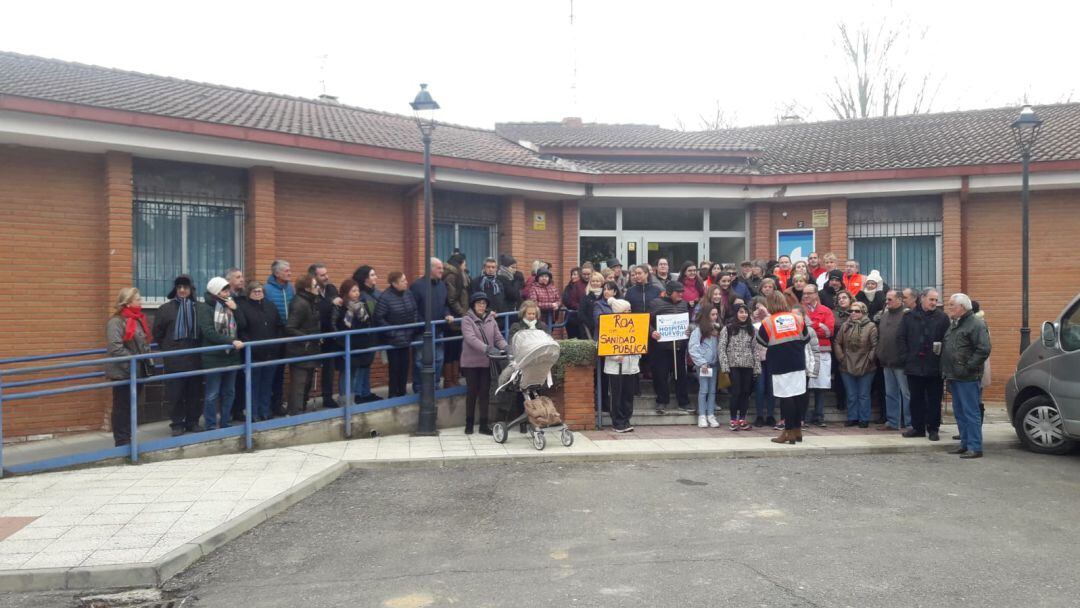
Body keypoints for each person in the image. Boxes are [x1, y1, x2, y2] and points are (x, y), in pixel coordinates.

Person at [941, 293, 992, 458]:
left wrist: (968, 367)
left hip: (967, 376)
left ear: (962, 307)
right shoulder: (955, 324)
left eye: (951, 305)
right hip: (954, 375)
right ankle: (964, 443)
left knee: (971, 412)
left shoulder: (976, 324)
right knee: (960, 412)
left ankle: (975, 447)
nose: (949, 308)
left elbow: (983, 349)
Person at [153, 275, 204, 437]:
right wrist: (168, 348)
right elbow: (158, 333)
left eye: (185, 287)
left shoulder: (199, 308)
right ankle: (177, 423)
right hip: (174, 358)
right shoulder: (165, 309)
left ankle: (193, 421)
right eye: (179, 287)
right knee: (175, 393)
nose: (182, 290)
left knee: (194, 392)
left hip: (195, 357)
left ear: (191, 289)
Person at [757, 293, 810, 444]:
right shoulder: (797, 318)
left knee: (786, 397)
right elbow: (806, 338)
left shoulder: (768, 321)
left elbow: (761, 340)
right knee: (799, 395)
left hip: (779, 363)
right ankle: (798, 430)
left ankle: (788, 432)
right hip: (798, 360)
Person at [898, 288, 949, 441]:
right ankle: (917, 428)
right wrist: (906, 358)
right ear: (922, 299)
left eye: (936, 300)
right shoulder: (909, 316)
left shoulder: (942, 318)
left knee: (934, 399)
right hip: (914, 365)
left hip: (934, 366)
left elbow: (947, 340)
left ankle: (933, 429)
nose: (934, 303)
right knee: (916, 399)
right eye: (931, 299)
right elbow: (901, 338)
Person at [105, 287, 153, 446]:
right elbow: (115, 347)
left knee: (131, 405)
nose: (141, 302)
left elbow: (142, 342)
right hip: (123, 371)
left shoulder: (137, 319)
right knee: (122, 407)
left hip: (136, 370)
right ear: (128, 302)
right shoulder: (116, 321)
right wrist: (134, 359)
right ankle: (122, 441)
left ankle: (128, 438)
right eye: (138, 299)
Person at [197, 277, 246, 430]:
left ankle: (225, 422)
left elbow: (243, 325)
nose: (227, 292)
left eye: (227, 289)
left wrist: (236, 309)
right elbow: (209, 333)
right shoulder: (205, 308)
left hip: (231, 357)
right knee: (212, 393)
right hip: (214, 358)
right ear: (215, 291)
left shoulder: (230, 304)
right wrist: (230, 341)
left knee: (229, 392)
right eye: (224, 290)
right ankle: (211, 424)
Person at [235, 281, 283, 421]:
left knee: (267, 385)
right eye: (254, 291)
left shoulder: (271, 306)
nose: (258, 294)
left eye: (260, 291)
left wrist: (276, 344)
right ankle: (253, 413)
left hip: (271, 352)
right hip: (253, 354)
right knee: (253, 386)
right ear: (249, 293)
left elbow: (279, 326)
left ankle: (265, 411)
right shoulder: (243, 307)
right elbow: (242, 330)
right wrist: (252, 346)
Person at [461, 292, 508, 435]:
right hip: (471, 363)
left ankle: (483, 424)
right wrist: (487, 348)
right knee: (472, 392)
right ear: (473, 305)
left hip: (486, 362)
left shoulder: (490, 320)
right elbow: (470, 339)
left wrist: (506, 346)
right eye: (478, 303)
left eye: (484, 304)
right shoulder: (467, 319)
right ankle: (469, 424)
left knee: (484, 393)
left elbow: (498, 338)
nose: (481, 306)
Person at [410, 258, 454, 395]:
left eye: (442, 268)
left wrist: (447, 314)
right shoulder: (417, 286)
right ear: (430, 269)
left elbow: (446, 304)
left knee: (439, 360)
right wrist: (423, 324)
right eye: (439, 268)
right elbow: (413, 309)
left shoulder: (442, 285)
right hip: (422, 332)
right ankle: (419, 388)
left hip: (439, 330)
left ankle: (434, 386)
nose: (442, 271)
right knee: (420, 362)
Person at [375, 271, 420, 398]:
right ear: (394, 283)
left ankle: (403, 392)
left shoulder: (408, 294)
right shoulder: (385, 297)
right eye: (403, 281)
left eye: (405, 280)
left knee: (405, 367)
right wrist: (392, 332)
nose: (406, 282)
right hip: (393, 340)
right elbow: (379, 318)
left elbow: (415, 310)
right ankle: (393, 394)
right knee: (394, 368)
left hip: (407, 337)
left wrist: (413, 327)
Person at [649, 282, 691, 414]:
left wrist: (688, 330)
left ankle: (683, 402)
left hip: (679, 345)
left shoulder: (684, 304)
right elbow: (645, 322)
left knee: (681, 375)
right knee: (660, 375)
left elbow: (688, 322)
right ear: (669, 292)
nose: (681, 294)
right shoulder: (655, 303)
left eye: (682, 291)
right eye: (678, 292)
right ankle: (661, 401)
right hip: (660, 346)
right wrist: (652, 332)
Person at [332, 279, 376, 405]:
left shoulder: (361, 306)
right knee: (346, 373)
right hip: (345, 343)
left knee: (354, 373)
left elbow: (367, 322)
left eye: (357, 291)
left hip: (359, 343)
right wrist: (339, 340)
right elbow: (335, 324)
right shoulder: (340, 306)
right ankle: (345, 400)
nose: (357, 293)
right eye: (353, 291)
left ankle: (351, 399)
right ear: (346, 292)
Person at [835, 301, 878, 428]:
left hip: (866, 365)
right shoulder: (845, 326)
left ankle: (864, 418)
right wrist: (841, 358)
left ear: (863, 312)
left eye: (857, 311)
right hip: (847, 364)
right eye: (851, 311)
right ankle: (852, 417)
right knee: (851, 394)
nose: (853, 313)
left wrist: (869, 359)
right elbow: (837, 342)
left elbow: (875, 346)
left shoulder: (871, 326)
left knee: (864, 394)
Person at [718, 303, 760, 431]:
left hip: (748, 365)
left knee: (745, 393)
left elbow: (755, 349)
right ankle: (733, 420)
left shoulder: (751, 329)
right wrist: (725, 366)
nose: (744, 315)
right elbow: (721, 348)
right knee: (735, 393)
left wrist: (757, 367)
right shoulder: (728, 329)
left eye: (746, 312)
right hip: (733, 365)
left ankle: (742, 418)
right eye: (741, 312)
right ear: (736, 313)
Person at [600, 298, 638, 433]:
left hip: (631, 366)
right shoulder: (609, 326)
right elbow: (604, 345)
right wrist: (615, 356)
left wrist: (636, 354)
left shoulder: (635, 326)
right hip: (615, 368)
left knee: (628, 395)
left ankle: (626, 419)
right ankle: (617, 421)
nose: (629, 313)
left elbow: (638, 344)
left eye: (630, 310)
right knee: (616, 395)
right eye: (625, 311)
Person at [284, 274, 321, 415]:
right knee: (299, 384)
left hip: (310, 348)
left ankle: (301, 409)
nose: (318, 288)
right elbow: (290, 327)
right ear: (307, 288)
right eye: (315, 285)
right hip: (301, 350)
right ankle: (295, 412)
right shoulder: (300, 303)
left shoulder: (311, 301)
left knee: (307, 383)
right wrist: (307, 338)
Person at [876, 289, 910, 431]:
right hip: (886, 361)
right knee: (890, 393)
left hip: (901, 362)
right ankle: (892, 421)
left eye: (890, 299)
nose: (886, 302)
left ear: (899, 300)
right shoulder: (884, 316)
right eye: (886, 299)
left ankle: (910, 423)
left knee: (906, 394)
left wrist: (905, 357)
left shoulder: (907, 315)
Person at [309, 263, 342, 409]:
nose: (326, 277)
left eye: (326, 273)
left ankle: (327, 397)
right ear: (314, 277)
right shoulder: (310, 291)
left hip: (330, 336)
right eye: (322, 275)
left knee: (329, 369)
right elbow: (315, 309)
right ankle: (303, 400)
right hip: (315, 335)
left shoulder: (331, 288)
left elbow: (339, 305)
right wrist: (330, 302)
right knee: (310, 369)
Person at [264, 260, 294, 416]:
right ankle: (267, 405)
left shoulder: (290, 288)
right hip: (274, 334)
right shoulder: (267, 289)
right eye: (286, 271)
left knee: (281, 371)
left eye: (290, 270)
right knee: (271, 371)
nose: (289, 273)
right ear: (277, 273)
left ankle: (278, 403)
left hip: (288, 333)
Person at [802, 284, 835, 427]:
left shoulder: (826, 311)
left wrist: (811, 326)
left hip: (822, 351)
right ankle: (804, 416)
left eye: (809, 293)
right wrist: (818, 325)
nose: (806, 296)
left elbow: (829, 332)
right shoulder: (800, 310)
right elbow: (801, 331)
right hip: (805, 351)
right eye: (804, 293)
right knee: (805, 386)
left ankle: (819, 415)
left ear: (816, 294)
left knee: (820, 386)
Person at [353, 265, 383, 401]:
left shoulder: (375, 293)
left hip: (373, 335)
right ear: (365, 279)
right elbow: (372, 315)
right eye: (372, 275)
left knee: (367, 364)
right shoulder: (362, 296)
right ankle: (359, 393)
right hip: (364, 336)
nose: (375, 277)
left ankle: (365, 392)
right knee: (362, 365)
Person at [689, 305, 721, 428]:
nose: (715, 317)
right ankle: (702, 415)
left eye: (716, 314)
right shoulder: (698, 331)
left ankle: (711, 415)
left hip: (713, 364)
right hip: (703, 365)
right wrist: (702, 362)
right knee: (704, 390)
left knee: (712, 391)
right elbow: (693, 348)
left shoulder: (717, 330)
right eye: (712, 314)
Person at [442, 253, 469, 387]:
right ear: (460, 263)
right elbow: (452, 299)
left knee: (457, 349)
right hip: (453, 320)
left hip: (459, 319)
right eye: (464, 263)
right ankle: (449, 380)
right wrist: (464, 314)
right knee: (451, 350)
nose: (466, 266)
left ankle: (455, 378)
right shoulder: (452, 276)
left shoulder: (459, 275)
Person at [225, 268, 249, 423]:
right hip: (230, 343)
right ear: (229, 281)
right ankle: (229, 412)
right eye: (238, 277)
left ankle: (239, 410)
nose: (242, 279)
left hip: (243, 343)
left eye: (242, 276)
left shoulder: (244, 297)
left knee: (241, 380)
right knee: (229, 382)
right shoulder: (226, 298)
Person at [750, 297, 775, 427]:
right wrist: (752, 317)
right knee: (760, 388)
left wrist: (766, 314)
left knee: (771, 388)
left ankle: (770, 415)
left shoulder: (770, 319)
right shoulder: (750, 320)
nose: (759, 310)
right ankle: (759, 415)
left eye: (762, 307)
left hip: (771, 357)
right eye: (757, 307)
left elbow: (775, 329)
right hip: (757, 359)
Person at [579, 272, 606, 340]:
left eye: (597, 281)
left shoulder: (605, 296)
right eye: (593, 281)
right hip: (589, 330)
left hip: (604, 329)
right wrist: (591, 324)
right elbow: (581, 314)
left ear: (601, 282)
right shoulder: (586, 297)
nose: (595, 283)